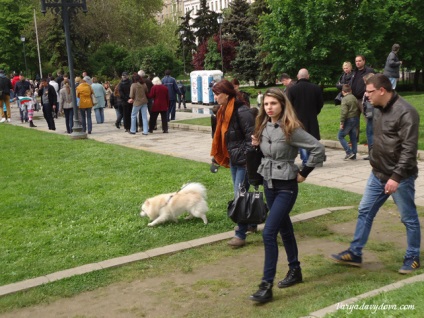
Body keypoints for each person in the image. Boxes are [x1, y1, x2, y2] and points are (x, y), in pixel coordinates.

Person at [331, 74, 421, 275]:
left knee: (408, 218)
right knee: (365, 210)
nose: (366, 95)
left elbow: (409, 150)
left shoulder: (407, 113)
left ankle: (413, 257)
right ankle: (355, 252)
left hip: (400, 177)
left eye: (370, 92)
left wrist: (396, 177)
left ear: (382, 90)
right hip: (378, 173)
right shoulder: (377, 110)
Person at [249, 88, 325, 303]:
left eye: (273, 103)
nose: (269, 107)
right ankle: (295, 270)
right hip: (268, 183)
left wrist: (304, 172)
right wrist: (256, 146)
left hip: (286, 186)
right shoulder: (262, 125)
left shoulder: (291, 128)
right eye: (266, 104)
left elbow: (318, 148)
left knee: (268, 232)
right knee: (284, 227)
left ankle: (266, 285)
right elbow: (262, 152)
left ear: (282, 105)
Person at [210, 79, 255, 248]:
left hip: (243, 162)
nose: (215, 97)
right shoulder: (222, 111)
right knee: (241, 194)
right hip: (234, 160)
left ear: (227, 94)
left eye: (217, 94)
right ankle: (252, 221)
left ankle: (240, 234)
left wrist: (242, 157)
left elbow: (251, 139)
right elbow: (223, 137)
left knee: (239, 196)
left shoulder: (242, 112)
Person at [287, 68, 324, 166]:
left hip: (298, 118)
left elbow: (289, 106)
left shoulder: (292, 89)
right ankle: (314, 160)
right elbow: (320, 103)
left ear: (298, 77)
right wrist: (315, 112)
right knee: (313, 139)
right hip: (312, 117)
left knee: (301, 139)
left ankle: (305, 160)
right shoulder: (316, 88)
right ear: (308, 76)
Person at [350, 55, 375, 140]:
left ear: (364, 61)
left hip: (364, 100)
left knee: (368, 119)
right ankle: (354, 139)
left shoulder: (369, 71)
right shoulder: (354, 72)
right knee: (354, 120)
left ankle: (371, 139)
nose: (357, 63)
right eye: (356, 61)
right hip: (354, 99)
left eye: (359, 61)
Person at [337, 84, 360, 160]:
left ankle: (349, 152)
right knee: (353, 137)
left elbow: (344, 112)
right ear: (351, 91)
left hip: (349, 119)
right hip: (356, 118)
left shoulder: (345, 99)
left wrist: (342, 122)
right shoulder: (354, 97)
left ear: (343, 92)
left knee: (340, 136)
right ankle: (354, 154)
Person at [361, 73, 375, 160]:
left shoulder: (371, 89)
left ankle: (372, 154)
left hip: (371, 113)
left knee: (370, 133)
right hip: (370, 113)